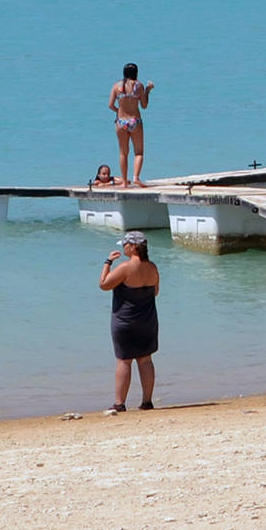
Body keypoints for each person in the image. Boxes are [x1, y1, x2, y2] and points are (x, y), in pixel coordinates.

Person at [99, 230, 160, 412]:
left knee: (124, 361)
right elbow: (155, 291)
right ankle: (147, 402)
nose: (124, 247)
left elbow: (104, 285)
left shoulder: (125, 267)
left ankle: (119, 403)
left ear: (133, 247)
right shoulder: (152, 267)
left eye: (126, 244)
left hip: (125, 321)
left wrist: (108, 262)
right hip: (148, 321)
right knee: (145, 359)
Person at [108, 62, 154, 187]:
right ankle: (136, 177)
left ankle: (124, 182)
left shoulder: (116, 86)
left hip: (121, 122)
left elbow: (110, 105)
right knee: (138, 152)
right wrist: (147, 91)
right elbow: (144, 106)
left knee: (123, 153)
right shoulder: (139, 86)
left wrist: (119, 112)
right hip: (135, 121)